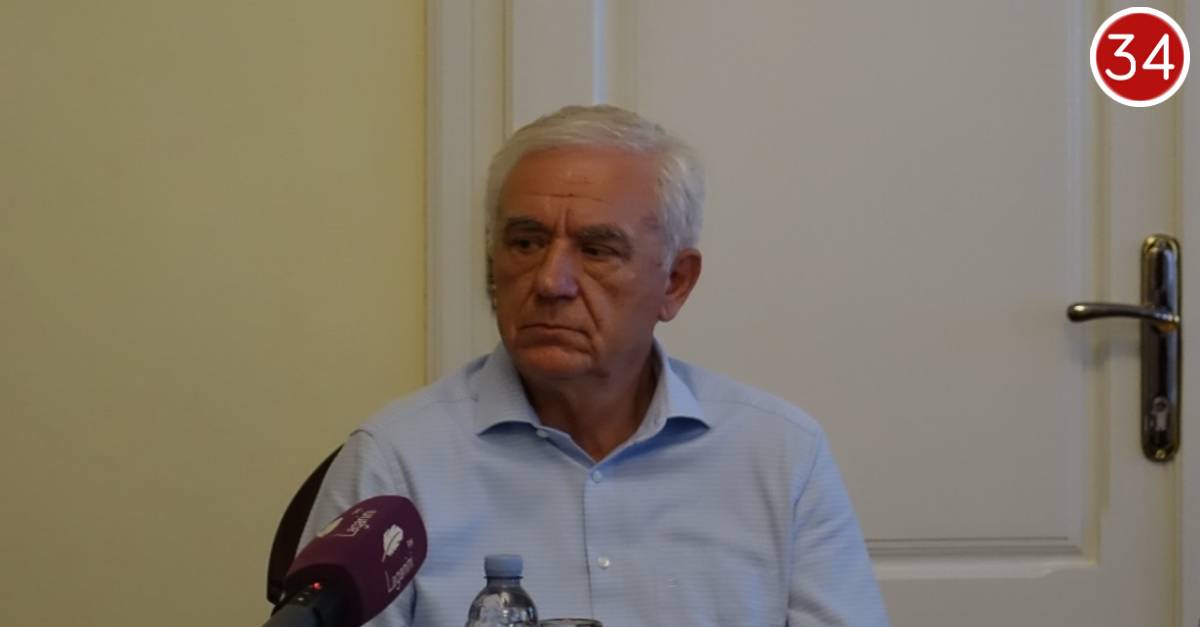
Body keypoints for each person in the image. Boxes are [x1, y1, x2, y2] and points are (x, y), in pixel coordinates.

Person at [300, 105, 889, 626]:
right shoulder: (398, 461)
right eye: (526, 243)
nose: (551, 282)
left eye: (597, 250)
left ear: (675, 283)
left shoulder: (781, 457)